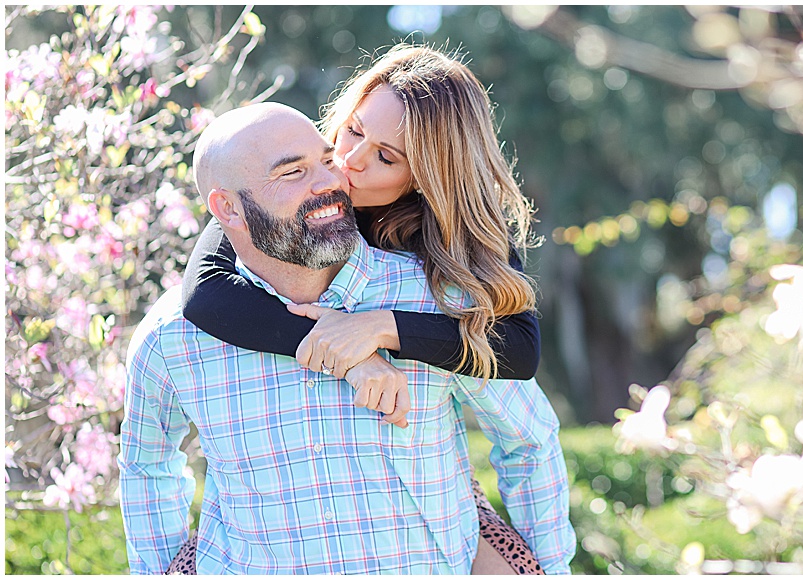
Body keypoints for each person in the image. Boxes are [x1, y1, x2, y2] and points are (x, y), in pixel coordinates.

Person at [119, 102, 576, 575]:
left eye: (324, 160)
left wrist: (553, 567)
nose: (337, 178)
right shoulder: (172, 337)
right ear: (227, 207)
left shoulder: (437, 296)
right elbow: (145, 469)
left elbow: (528, 440)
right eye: (293, 172)